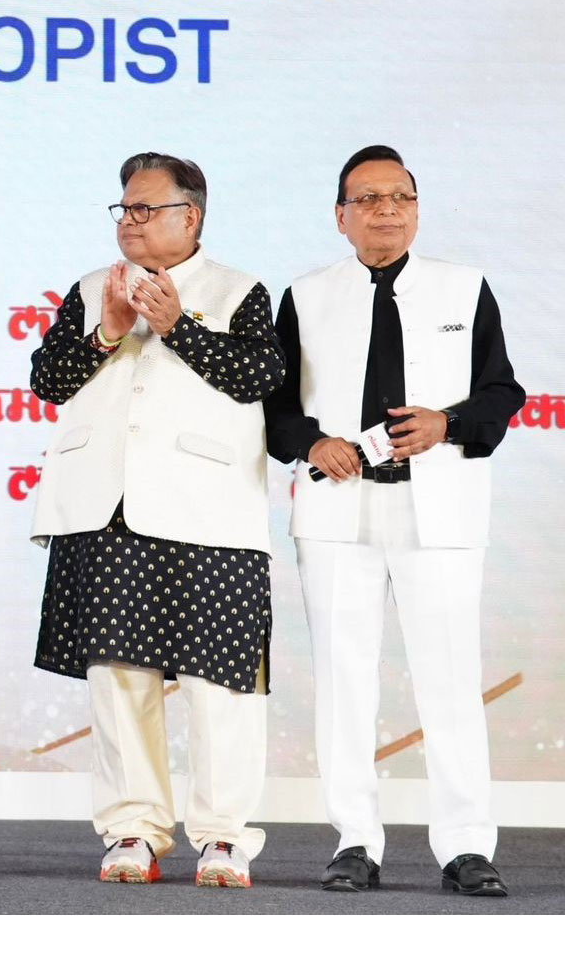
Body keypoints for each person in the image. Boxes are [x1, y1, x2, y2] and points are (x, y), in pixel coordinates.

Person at [264, 145, 524, 897]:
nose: (386, 211)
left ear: (417, 206)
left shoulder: (465, 287)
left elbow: (502, 392)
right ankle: (354, 840)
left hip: (437, 506)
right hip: (337, 508)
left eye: (400, 197)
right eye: (368, 199)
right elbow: (276, 407)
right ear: (340, 215)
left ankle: (467, 845)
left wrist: (447, 423)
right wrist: (312, 443)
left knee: (450, 679)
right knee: (344, 681)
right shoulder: (306, 295)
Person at [28, 153, 283, 890]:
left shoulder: (240, 291)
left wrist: (179, 328)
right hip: (104, 506)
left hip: (211, 511)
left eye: (144, 209)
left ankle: (224, 836)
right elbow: (48, 381)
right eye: (124, 210)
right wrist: (106, 330)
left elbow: (259, 378)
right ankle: (133, 828)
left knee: (220, 684)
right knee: (119, 676)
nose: (129, 223)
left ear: (189, 217)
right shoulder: (88, 290)